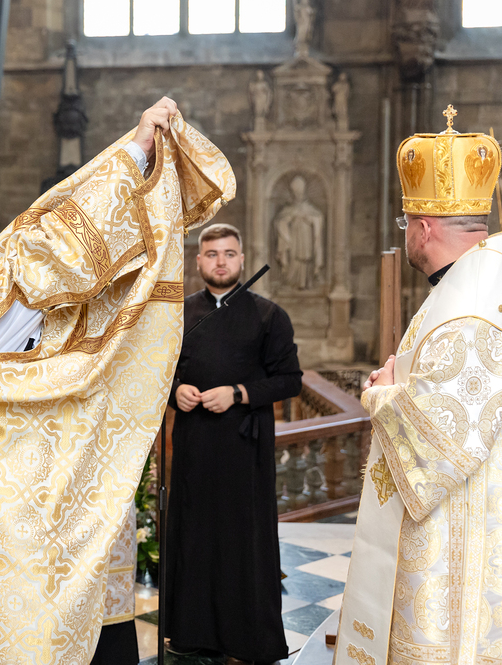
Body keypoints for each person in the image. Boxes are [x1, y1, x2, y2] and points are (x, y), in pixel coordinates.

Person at [0, 98, 237, 663]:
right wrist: (136, 153)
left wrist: (137, 156)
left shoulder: (32, 328)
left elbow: (77, 266)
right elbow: (66, 257)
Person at [335, 109, 502, 664]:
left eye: (406, 223)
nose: (405, 234)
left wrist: (382, 393)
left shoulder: (469, 306)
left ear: (424, 228)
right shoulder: (478, 278)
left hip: (459, 525)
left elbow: (449, 437)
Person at [164, 222, 302, 664]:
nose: (220, 261)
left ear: (241, 260)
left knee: (243, 541)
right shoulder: (179, 314)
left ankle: (248, 640)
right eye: (211, 254)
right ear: (198, 261)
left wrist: (238, 393)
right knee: (195, 535)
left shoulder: (268, 315)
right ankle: (192, 633)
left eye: (228, 253)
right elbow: (157, 374)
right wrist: (175, 391)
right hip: (194, 445)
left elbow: (290, 380)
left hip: (245, 449)